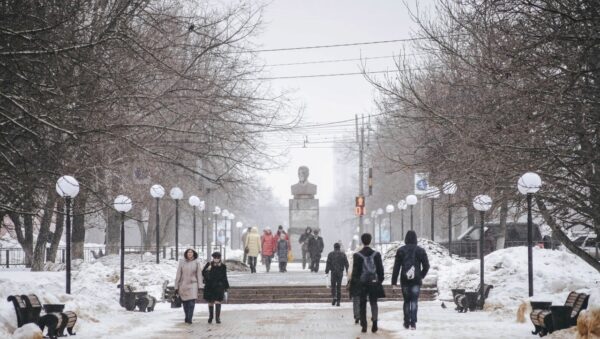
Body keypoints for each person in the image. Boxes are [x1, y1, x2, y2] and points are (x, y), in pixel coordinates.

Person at [391, 230, 430, 330]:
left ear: (406, 238)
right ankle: (413, 322)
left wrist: (394, 282)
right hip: (416, 280)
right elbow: (426, 266)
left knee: (406, 301)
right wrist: (421, 275)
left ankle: (406, 322)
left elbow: (396, 267)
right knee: (414, 301)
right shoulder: (420, 250)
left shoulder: (400, 250)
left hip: (404, 280)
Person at [352, 233, 384, 333]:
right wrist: (379, 281)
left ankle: (364, 325)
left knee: (362, 304)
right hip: (373, 282)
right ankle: (374, 322)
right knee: (374, 303)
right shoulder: (376, 255)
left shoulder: (357, 255)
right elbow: (380, 270)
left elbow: (355, 272)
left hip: (362, 283)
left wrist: (355, 283)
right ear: (370, 241)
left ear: (362, 241)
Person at [174, 248, 203, 324]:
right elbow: (178, 274)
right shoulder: (182, 262)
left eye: (191, 252)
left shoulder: (196, 262)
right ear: (186, 254)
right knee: (185, 303)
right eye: (188, 252)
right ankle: (187, 316)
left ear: (193, 253)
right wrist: (176, 286)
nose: (190, 253)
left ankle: (190, 318)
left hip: (193, 284)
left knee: (191, 302)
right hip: (183, 285)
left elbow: (199, 275)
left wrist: (200, 286)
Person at [202, 252, 230, 324]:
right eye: (215, 258)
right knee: (210, 302)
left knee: (218, 301)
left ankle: (217, 318)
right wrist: (207, 270)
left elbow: (224, 277)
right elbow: (203, 273)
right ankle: (210, 317)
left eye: (218, 258)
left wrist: (226, 287)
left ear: (220, 258)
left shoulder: (223, 266)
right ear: (213, 258)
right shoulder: (209, 265)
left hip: (219, 286)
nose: (216, 259)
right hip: (209, 286)